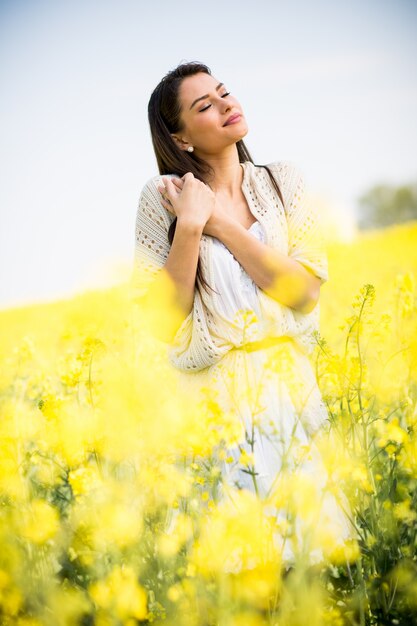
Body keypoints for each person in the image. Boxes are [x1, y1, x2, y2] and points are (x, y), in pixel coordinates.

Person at [131, 61, 358, 564]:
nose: (227, 104)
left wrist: (221, 225)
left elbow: (303, 292)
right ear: (181, 138)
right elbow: (159, 321)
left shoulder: (283, 182)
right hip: (213, 404)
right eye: (205, 106)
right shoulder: (161, 198)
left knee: (318, 565)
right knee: (240, 574)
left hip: (291, 392)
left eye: (224, 92)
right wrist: (190, 225)